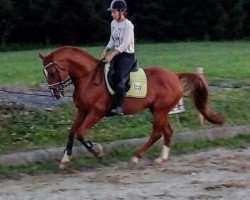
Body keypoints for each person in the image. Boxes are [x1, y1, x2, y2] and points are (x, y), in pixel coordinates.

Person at [102, 0, 136, 116]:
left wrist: (112, 54)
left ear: (122, 11)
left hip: (127, 56)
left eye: (114, 12)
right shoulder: (113, 23)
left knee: (118, 77)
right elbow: (112, 39)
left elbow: (125, 44)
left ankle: (119, 107)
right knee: (107, 74)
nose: (112, 14)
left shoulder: (128, 25)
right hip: (117, 54)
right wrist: (106, 50)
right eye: (111, 12)